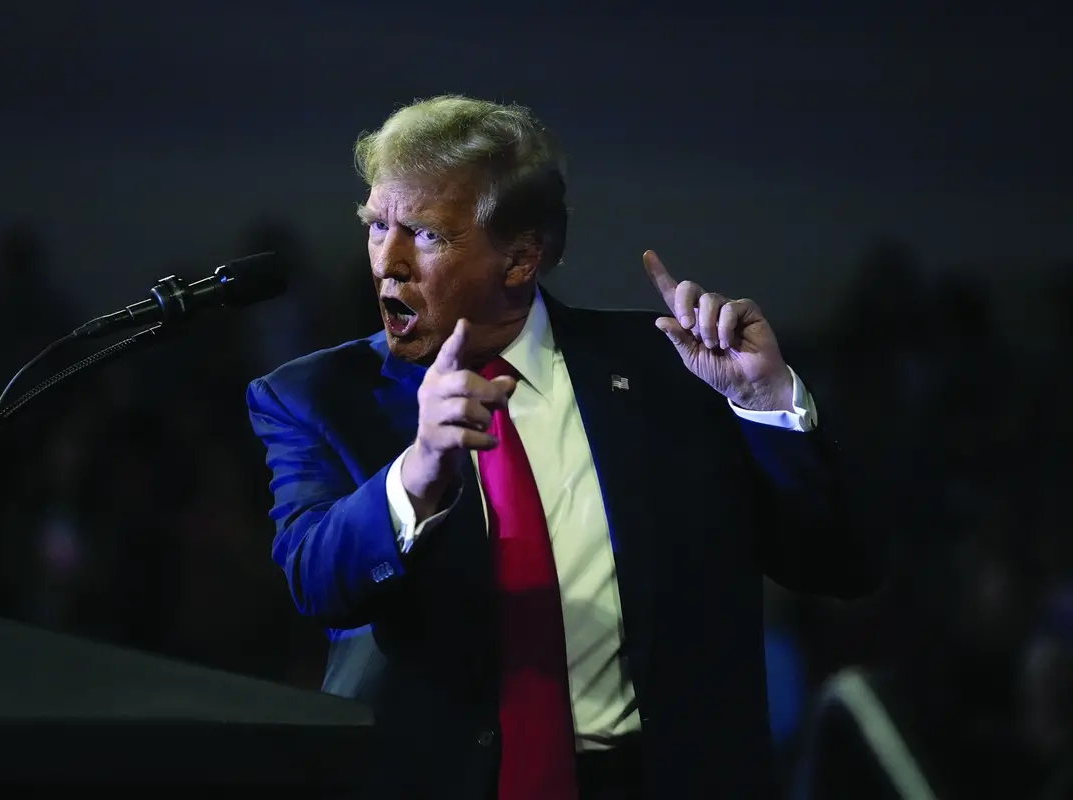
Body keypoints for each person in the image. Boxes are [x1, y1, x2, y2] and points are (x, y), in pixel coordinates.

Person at [247, 95, 885, 799]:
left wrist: (766, 406)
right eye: (377, 226)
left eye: (424, 234)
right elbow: (317, 583)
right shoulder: (313, 396)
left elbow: (841, 562)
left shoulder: (672, 371)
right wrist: (417, 472)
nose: (387, 262)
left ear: (521, 259)